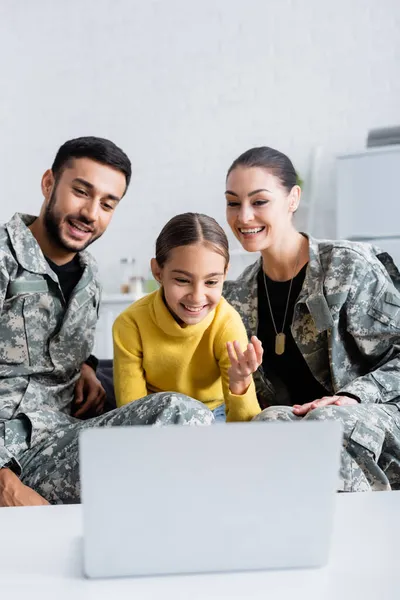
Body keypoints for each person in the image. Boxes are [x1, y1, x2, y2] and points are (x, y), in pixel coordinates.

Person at [0, 137, 213, 507]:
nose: (90, 213)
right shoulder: (4, 258)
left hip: (64, 445)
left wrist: (86, 368)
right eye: (81, 192)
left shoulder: (90, 276)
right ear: (49, 183)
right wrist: (4, 483)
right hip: (9, 455)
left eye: (107, 204)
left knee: (183, 413)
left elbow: (62, 350)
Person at [222, 145, 400, 491]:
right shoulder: (237, 297)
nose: (243, 217)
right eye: (233, 202)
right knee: (268, 423)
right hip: (300, 425)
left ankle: (355, 537)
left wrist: (353, 396)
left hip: (378, 413)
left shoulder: (347, 266)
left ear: (292, 199)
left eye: (259, 202)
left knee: (327, 420)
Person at [113, 212, 262, 422]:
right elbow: (131, 415)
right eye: (182, 280)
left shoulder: (227, 322)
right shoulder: (130, 324)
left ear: (225, 273)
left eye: (211, 282)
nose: (197, 297)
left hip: (215, 414)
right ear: (158, 272)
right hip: (159, 417)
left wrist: (240, 384)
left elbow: (243, 427)